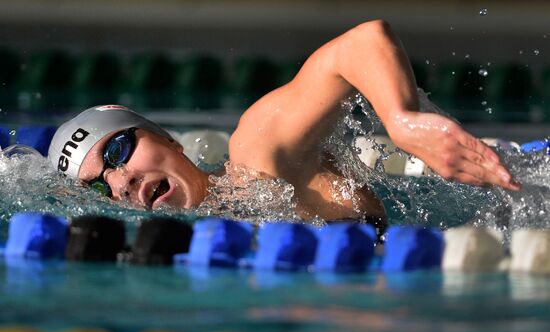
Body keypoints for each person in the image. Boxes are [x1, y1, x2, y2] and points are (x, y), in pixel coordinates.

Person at [47, 20, 520, 225]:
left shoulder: (259, 159)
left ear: (166, 137)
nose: (121, 182)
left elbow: (360, 44)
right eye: (98, 187)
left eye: (117, 152)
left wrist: (401, 121)